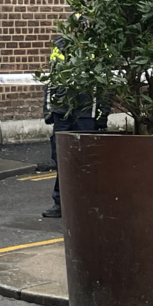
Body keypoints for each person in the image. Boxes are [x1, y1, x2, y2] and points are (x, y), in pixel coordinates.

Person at [42, 28, 105, 221]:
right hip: (62, 113)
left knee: (87, 159)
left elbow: (104, 86)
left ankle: (87, 203)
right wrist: (48, 109)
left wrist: (102, 115)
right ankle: (61, 202)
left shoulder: (97, 47)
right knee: (62, 159)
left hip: (86, 113)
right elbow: (51, 80)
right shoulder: (59, 46)